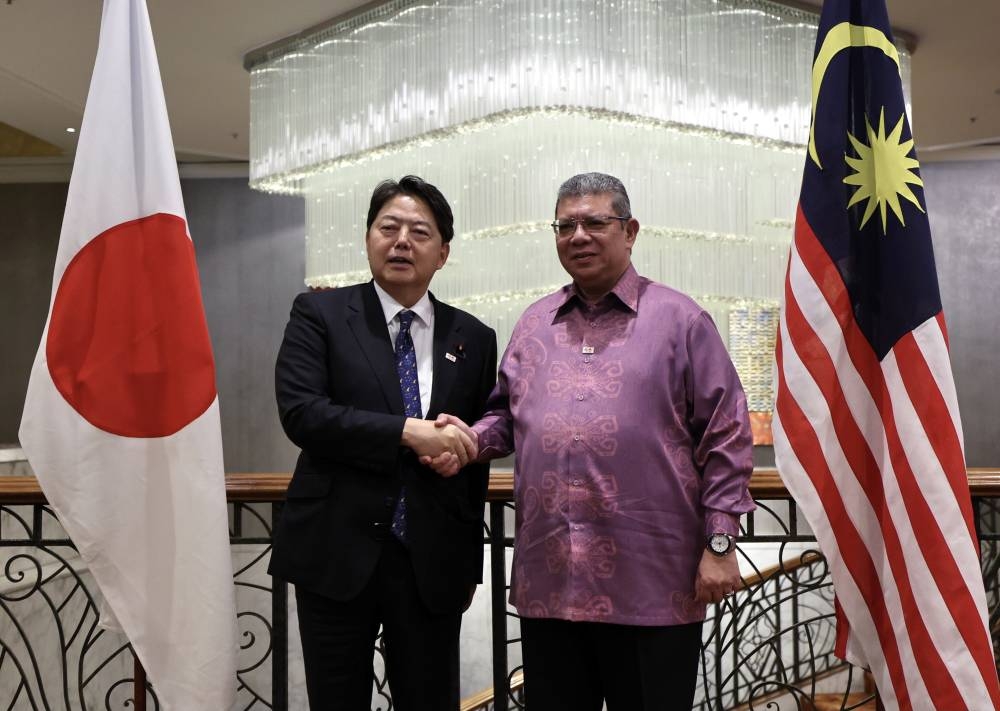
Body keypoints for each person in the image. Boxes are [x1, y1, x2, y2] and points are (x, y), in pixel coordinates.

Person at [428, 172, 754, 710]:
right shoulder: (535, 324)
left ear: (630, 231)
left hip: (654, 584)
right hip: (550, 582)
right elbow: (504, 418)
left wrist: (719, 544)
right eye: (565, 225)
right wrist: (465, 441)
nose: (578, 235)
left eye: (595, 222)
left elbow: (727, 434)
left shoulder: (681, 320)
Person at [269, 175, 498, 710]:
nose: (401, 241)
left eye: (419, 232)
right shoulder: (319, 314)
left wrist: (469, 564)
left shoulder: (474, 337)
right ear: (368, 238)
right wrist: (408, 431)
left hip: (431, 562)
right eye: (388, 227)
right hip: (335, 550)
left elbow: (476, 453)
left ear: (442, 253)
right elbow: (304, 414)